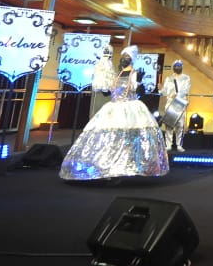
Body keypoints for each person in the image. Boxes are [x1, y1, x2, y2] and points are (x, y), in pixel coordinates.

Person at [59, 45, 169, 181]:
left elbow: (141, 93)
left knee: (129, 138)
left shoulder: (135, 74)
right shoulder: (116, 75)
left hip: (131, 109)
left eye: (127, 57)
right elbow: (107, 92)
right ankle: (106, 165)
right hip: (113, 108)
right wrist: (100, 78)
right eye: (123, 57)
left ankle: (128, 165)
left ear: (132, 59)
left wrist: (139, 82)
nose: (124, 59)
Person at [160, 60, 191, 151]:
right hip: (170, 103)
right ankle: (168, 144)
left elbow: (186, 90)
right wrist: (160, 89)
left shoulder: (186, 78)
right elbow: (164, 92)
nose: (178, 67)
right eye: (176, 65)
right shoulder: (168, 79)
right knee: (169, 125)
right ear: (173, 67)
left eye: (179, 65)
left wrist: (176, 95)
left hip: (180, 102)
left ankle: (179, 145)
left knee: (180, 125)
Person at [89, 44, 115, 121]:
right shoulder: (105, 63)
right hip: (103, 90)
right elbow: (105, 76)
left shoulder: (104, 62)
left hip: (105, 90)